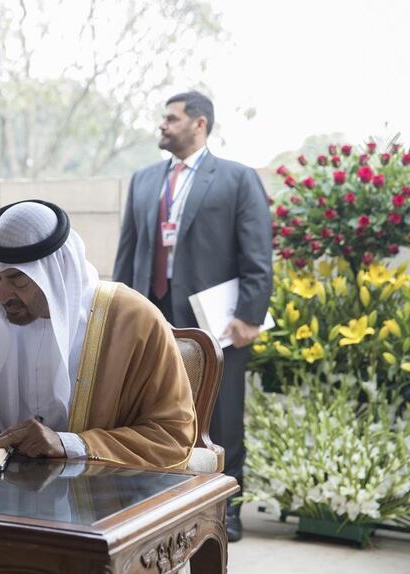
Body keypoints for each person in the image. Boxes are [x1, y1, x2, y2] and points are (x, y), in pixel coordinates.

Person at [0, 200, 196, 469]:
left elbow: (171, 436)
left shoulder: (133, 321)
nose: (2, 296)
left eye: (18, 280)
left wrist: (68, 444)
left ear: (54, 273)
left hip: (101, 505)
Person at [112, 91, 273, 541]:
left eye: (172, 118)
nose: (163, 125)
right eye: (163, 118)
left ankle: (228, 506)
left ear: (199, 124)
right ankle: (154, 497)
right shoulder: (143, 181)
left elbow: (258, 253)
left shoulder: (237, 179)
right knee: (147, 408)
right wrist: (117, 313)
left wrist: (249, 316)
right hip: (152, 320)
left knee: (223, 416)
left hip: (215, 325)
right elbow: (128, 254)